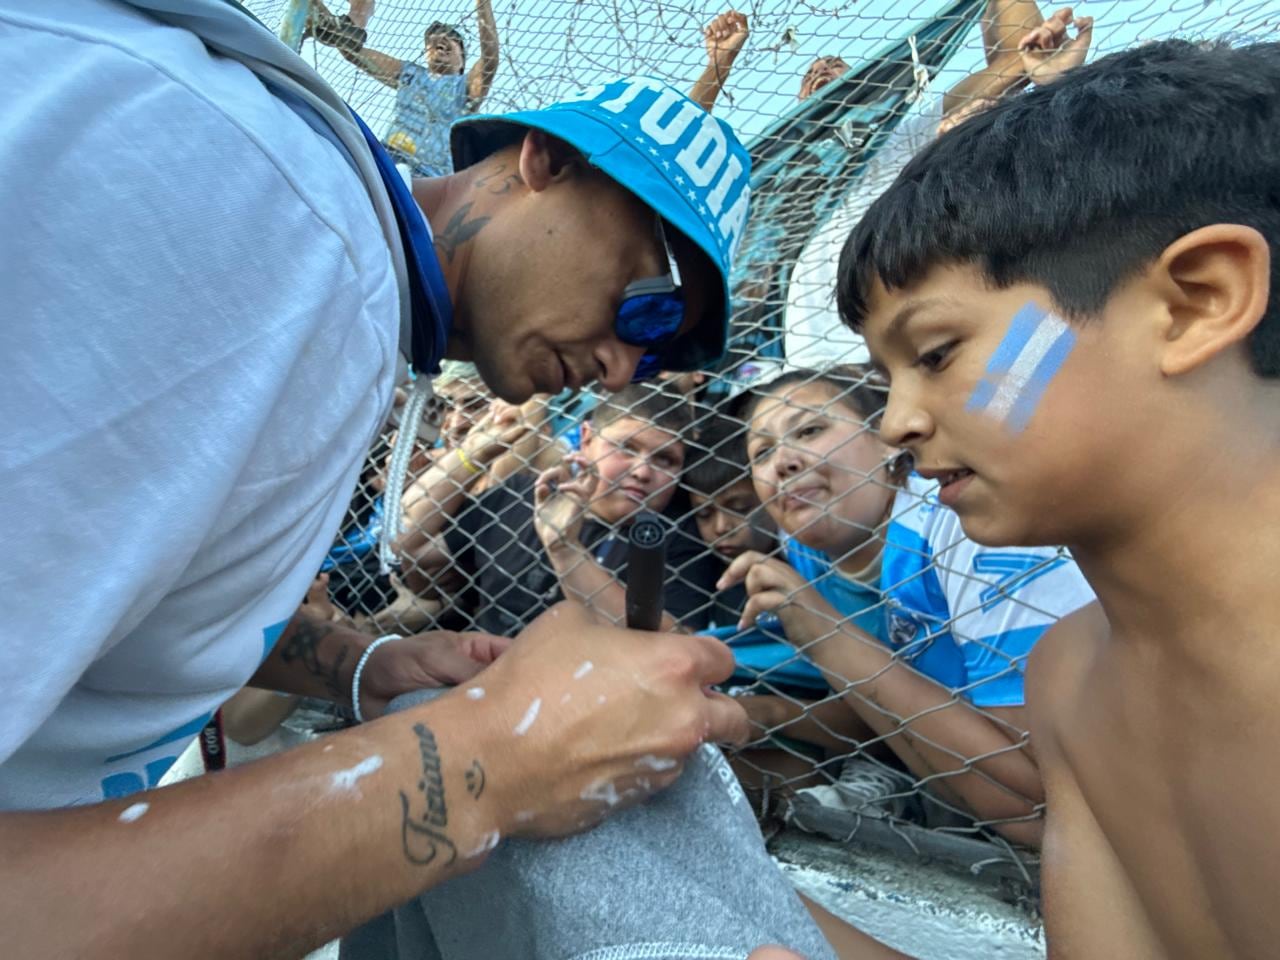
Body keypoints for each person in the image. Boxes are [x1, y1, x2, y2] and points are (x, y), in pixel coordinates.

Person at [0, 2, 803, 956]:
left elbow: (126, 591)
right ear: (542, 162)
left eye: (665, 349)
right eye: (646, 304)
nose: (628, 367)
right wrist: (495, 759)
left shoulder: (348, 296)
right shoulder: (275, 229)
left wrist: (356, 665)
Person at [837, 37, 1280, 957]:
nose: (895, 424)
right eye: (883, 378)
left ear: (1197, 300)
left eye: (936, 354)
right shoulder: (1070, 679)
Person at [720, 366, 1096, 844]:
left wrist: (824, 633)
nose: (783, 462)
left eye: (810, 429)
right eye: (762, 452)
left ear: (887, 440)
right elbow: (875, 712)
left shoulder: (965, 530)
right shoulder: (804, 552)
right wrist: (762, 714)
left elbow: (1043, 807)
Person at [783, 3, 1093, 370]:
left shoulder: (905, 135)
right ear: (801, 105)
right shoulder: (785, 175)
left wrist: (1024, 46)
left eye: (836, 65)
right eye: (811, 75)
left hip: (911, 337)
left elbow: (1014, 63)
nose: (821, 70)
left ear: (870, 86)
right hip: (813, 356)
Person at [429, 383, 722, 636]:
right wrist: (470, 456)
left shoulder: (679, 540)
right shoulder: (520, 494)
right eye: (627, 448)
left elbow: (671, 649)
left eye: (665, 460)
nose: (643, 472)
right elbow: (412, 555)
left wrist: (565, 549)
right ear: (587, 439)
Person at [310, 0, 500, 177]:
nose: (440, 38)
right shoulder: (409, 73)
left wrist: (482, 4)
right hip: (386, 162)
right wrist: (329, 23)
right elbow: (354, 51)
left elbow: (490, 57)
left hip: (429, 175)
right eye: (432, 39)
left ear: (462, 61)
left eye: (451, 38)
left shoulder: (464, 86)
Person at [684, 413, 777, 628]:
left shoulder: (809, 567)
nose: (721, 528)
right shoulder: (698, 572)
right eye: (704, 514)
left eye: (739, 509)